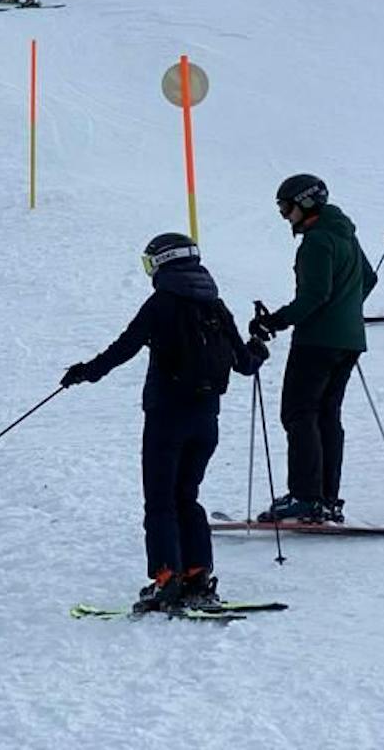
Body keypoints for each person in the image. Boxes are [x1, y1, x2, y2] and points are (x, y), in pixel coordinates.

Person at [62, 233, 267, 613]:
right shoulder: (216, 306)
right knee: (186, 496)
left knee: (160, 499)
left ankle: (166, 578)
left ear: (163, 263)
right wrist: (259, 345)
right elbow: (244, 364)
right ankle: (197, 575)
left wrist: (84, 373)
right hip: (207, 420)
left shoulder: (161, 304)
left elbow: (124, 347)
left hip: (166, 417)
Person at [249, 174, 377, 525]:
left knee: (299, 413)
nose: (283, 214)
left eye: (284, 206)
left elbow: (313, 296)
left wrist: (273, 321)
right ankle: (326, 498)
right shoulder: (345, 235)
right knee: (326, 415)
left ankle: (306, 497)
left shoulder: (317, 242)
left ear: (304, 202)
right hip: (349, 341)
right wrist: (346, 311)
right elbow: (369, 279)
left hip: (317, 342)